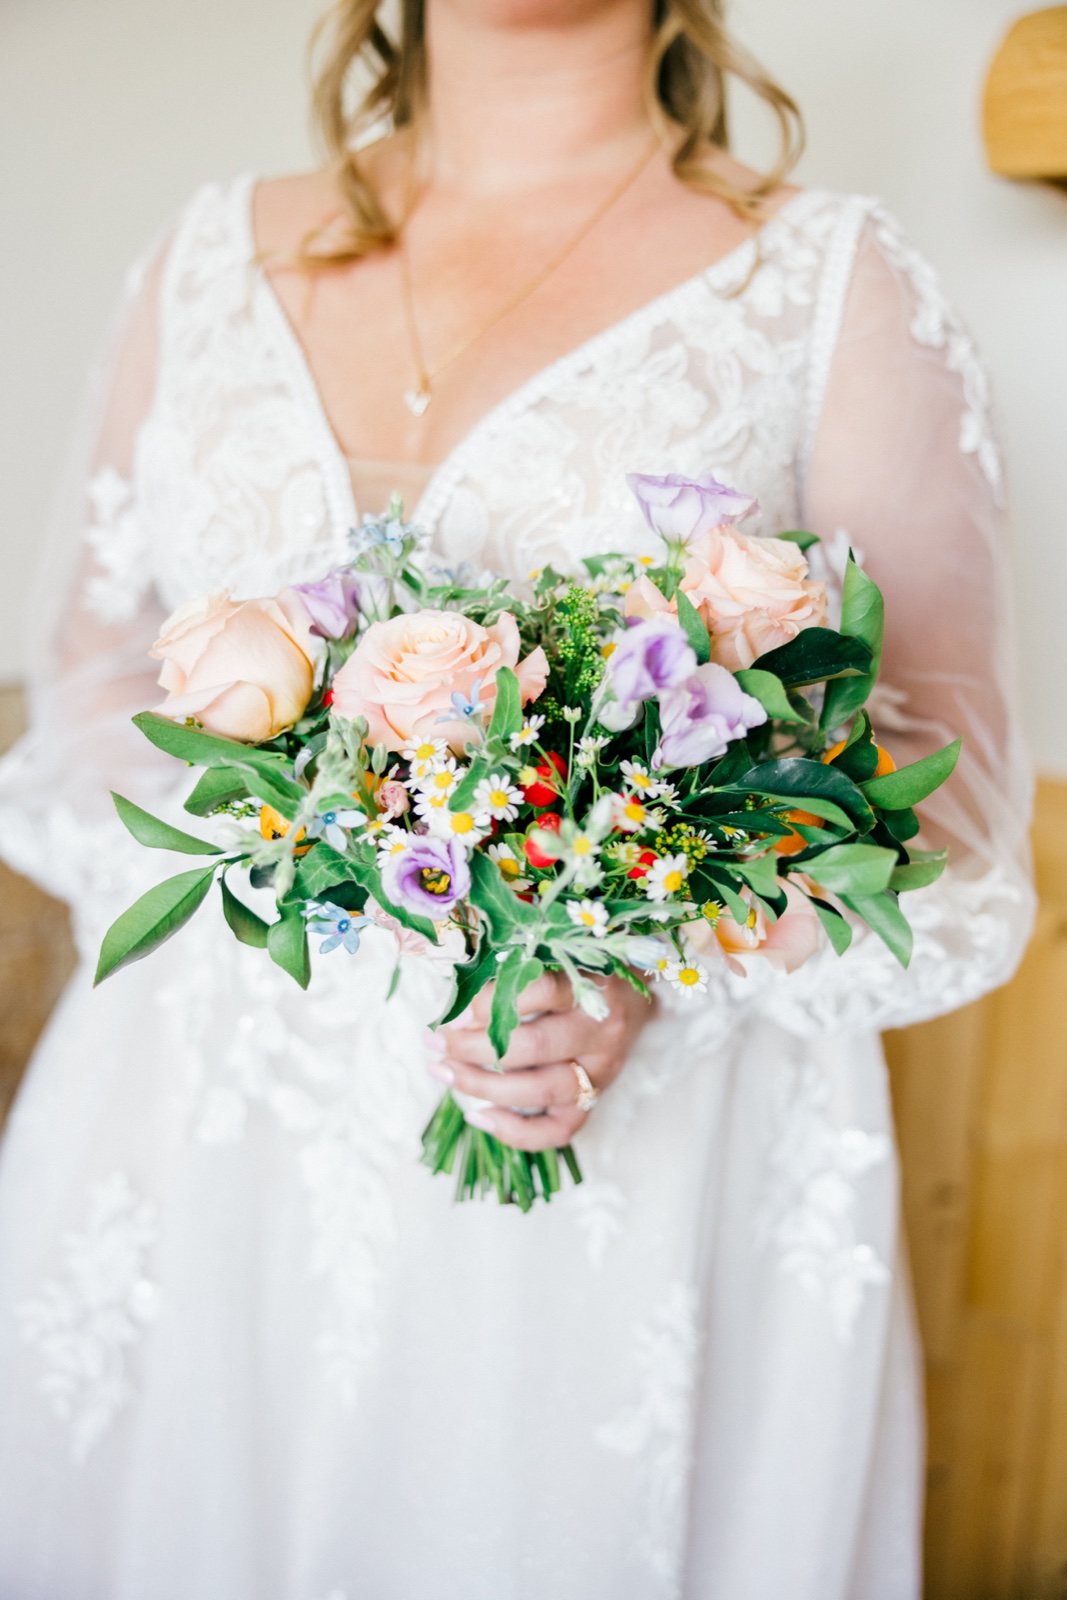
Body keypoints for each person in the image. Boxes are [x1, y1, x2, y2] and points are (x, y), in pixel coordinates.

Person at [0, 2, 1035, 1596]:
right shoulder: (203, 259)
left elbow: (950, 837)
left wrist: (634, 939)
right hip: (192, 1173)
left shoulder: (832, 284)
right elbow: (87, 698)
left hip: (604, 1214)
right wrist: (318, 835)